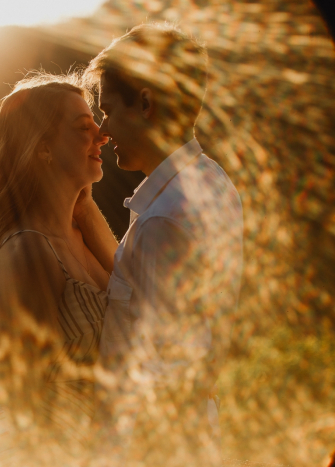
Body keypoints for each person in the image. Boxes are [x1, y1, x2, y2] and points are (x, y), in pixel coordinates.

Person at [75, 23, 244, 466]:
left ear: (146, 103)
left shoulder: (166, 218)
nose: (103, 129)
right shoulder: (211, 181)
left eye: (108, 110)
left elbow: (164, 372)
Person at [0, 73, 117, 467]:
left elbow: (135, 293)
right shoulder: (25, 252)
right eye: (83, 127)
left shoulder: (82, 237)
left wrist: (86, 209)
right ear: (43, 148)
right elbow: (23, 401)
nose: (102, 134)